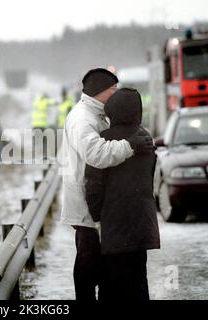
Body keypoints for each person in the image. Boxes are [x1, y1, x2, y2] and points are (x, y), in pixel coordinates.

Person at [60, 68, 154, 301]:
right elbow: (97, 155)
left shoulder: (99, 115)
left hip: (99, 204)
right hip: (86, 205)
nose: (115, 94)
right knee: (88, 265)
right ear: (100, 92)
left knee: (99, 266)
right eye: (112, 89)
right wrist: (130, 146)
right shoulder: (83, 119)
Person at [85, 88, 160, 301]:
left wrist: (96, 213)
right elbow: (149, 176)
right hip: (142, 220)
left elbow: (94, 183)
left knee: (111, 282)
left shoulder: (104, 140)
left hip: (115, 221)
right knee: (138, 279)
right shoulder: (145, 137)